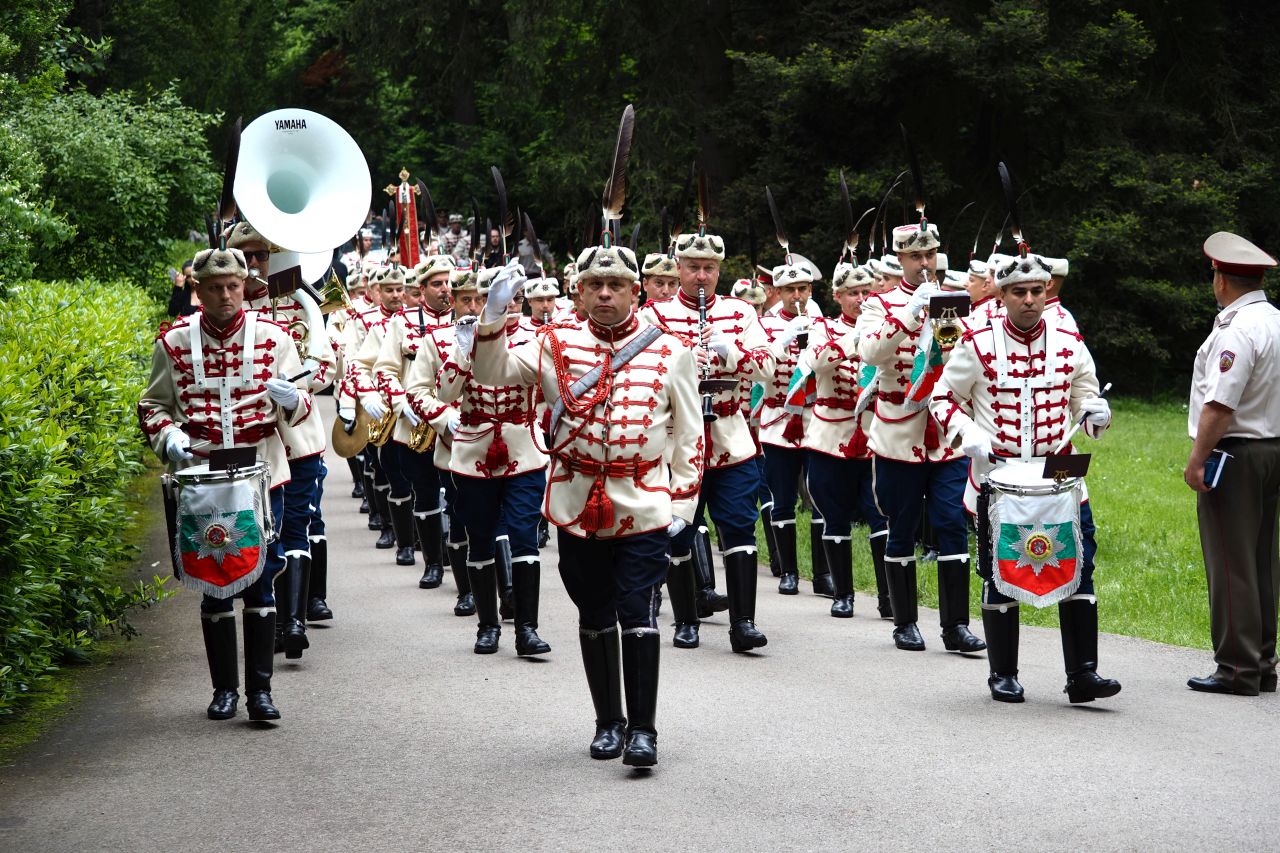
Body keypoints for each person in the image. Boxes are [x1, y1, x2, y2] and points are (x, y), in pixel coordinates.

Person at [470, 244, 702, 769]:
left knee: (638, 610)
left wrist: (684, 506)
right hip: (576, 502)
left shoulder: (670, 351)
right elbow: (493, 372)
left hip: (644, 502)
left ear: (634, 291)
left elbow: (690, 436)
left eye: (616, 285)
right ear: (577, 291)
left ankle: (644, 731)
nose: (604, 294)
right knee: (594, 611)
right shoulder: (554, 343)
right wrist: (493, 316)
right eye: (594, 286)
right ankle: (607, 723)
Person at [930, 251, 1117, 703]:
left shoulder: (1070, 339)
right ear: (1001, 294)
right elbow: (941, 398)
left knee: (1081, 567)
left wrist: (1097, 415)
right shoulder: (975, 340)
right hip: (1000, 474)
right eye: (1019, 292)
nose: (1030, 300)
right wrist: (968, 432)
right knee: (1001, 572)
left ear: (1047, 291)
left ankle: (1083, 675)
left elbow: (1085, 401)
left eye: (1037, 291)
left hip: (1061, 475)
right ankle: (1004, 674)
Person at [138, 243, 314, 721]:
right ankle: (224, 691)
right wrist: (168, 436)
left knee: (261, 578)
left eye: (233, 287)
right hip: (202, 477)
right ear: (197, 290)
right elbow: (151, 405)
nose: (226, 297)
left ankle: (261, 692)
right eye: (214, 289)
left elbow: (303, 409)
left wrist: (292, 398)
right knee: (213, 581)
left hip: (262, 471)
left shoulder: (274, 337)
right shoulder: (173, 341)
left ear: (245, 287)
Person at [641, 226, 777, 652]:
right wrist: (682, 356)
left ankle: (744, 623)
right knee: (680, 530)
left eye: (709, 269)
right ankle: (686, 620)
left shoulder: (741, 313)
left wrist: (728, 350)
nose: (701, 277)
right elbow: (641, 374)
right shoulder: (654, 315)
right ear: (678, 269)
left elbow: (768, 366)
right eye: (693, 268)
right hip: (677, 442)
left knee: (739, 528)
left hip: (731, 438)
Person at [859, 222, 986, 654]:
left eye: (930, 254)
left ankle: (956, 627)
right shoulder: (879, 304)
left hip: (945, 434)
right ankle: (905, 621)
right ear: (900, 259)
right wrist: (911, 313)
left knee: (952, 524)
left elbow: (962, 357)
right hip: (899, 432)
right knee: (902, 526)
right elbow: (870, 352)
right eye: (915, 256)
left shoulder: (953, 301)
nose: (925, 263)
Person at [225, 221, 338, 653]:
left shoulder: (299, 303)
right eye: (246, 256)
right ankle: (268, 614)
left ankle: (292, 622)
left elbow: (326, 367)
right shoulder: (225, 311)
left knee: (297, 524)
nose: (254, 264)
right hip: (252, 440)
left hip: (298, 433)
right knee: (260, 530)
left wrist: (297, 388)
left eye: (261, 256)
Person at [435, 264, 551, 656]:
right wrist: (463, 352)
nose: (511, 305)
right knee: (480, 538)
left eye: (516, 298)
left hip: (522, 449)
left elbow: (535, 377)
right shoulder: (463, 336)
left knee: (523, 534)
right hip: (474, 450)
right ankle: (488, 626)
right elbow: (447, 392)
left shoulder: (538, 337)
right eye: (493, 298)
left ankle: (527, 629)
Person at [1184, 231, 1280, 696]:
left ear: (1220, 278)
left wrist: (1197, 460)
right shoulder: (1275, 321)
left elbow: (1220, 404)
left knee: (1230, 560)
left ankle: (1237, 668)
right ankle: (1262, 661)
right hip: (1271, 449)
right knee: (1261, 559)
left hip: (1236, 453)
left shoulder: (1237, 329)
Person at [806, 262, 890, 618]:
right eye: (853, 293)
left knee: (880, 515)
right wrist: (854, 340)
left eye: (866, 292)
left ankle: (889, 597)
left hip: (874, 434)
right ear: (838, 297)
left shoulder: (886, 329)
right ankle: (843, 593)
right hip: (831, 433)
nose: (860, 299)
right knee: (834, 514)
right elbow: (817, 362)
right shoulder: (822, 328)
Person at [373, 255, 457, 587]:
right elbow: (384, 370)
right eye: (437, 284)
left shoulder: (465, 318)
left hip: (454, 422)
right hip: (415, 423)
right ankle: (432, 563)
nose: (445, 289)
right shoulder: (401, 322)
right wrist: (400, 401)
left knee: (458, 493)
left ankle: (459, 559)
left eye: (448, 282)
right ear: (421, 289)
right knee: (423, 491)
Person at [757, 258, 832, 597]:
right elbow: (758, 373)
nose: (797, 295)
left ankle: (822, 574)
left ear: (810, 290)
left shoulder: (824, 325)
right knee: (782, 498)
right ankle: (788, 571)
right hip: (778, 421)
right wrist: (781, 341)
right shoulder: (763, 326)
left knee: (819, 499)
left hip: (816, 420)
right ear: (778, 291)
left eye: (802, 289)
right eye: (789, 289)